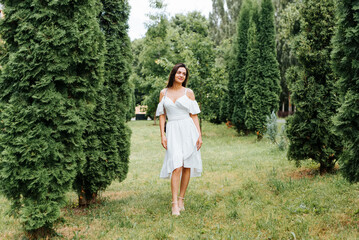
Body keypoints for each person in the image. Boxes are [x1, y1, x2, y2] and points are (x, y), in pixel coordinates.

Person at [156, 63, 203, 216]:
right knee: (176, 165)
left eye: (184, 73)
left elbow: (194, 115)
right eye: (179, 72)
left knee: (187, 164)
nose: (181, 75)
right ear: (173, 74)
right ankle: (174, 203)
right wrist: (162, 134)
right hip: (172, 130)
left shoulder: (189, 93)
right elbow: (162, 115)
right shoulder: (163, 92)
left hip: (188, 129)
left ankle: (181, 198)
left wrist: (199, 135)